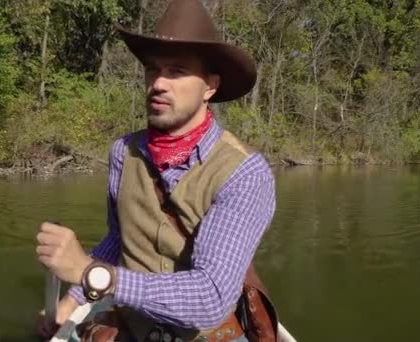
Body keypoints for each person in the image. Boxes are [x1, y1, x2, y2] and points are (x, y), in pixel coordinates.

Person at [35, 1, 277, 341]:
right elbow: (119, 239)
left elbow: (211, 298)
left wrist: (92, 275)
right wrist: (70, 301)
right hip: (132, 328)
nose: (159, 83)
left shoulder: (245, 173)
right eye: (153, 70)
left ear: (210, 86)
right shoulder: (123, 152)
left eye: (176, 71)